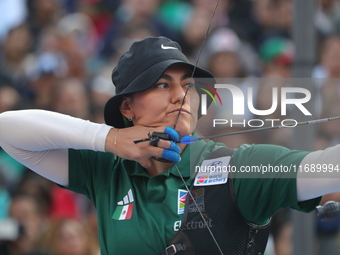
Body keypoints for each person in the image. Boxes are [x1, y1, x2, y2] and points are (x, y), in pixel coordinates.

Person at [0, 36, 339, 255]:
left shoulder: (238, 169)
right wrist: (109, 139)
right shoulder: (107, 171)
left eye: (187, 85)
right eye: (161, 84)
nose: (181, 95)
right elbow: (7, 129)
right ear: (127, 108)